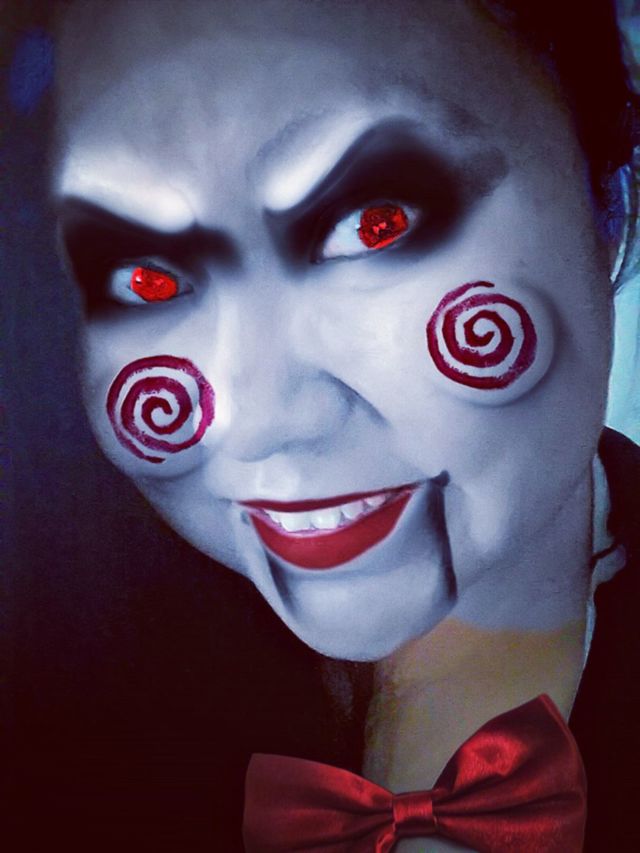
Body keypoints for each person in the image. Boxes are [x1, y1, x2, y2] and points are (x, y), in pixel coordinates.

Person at [7, 0, 640, 850]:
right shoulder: (56, 703)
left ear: (607, 198)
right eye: (146, 277)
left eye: (374, 225)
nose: (265, 420)